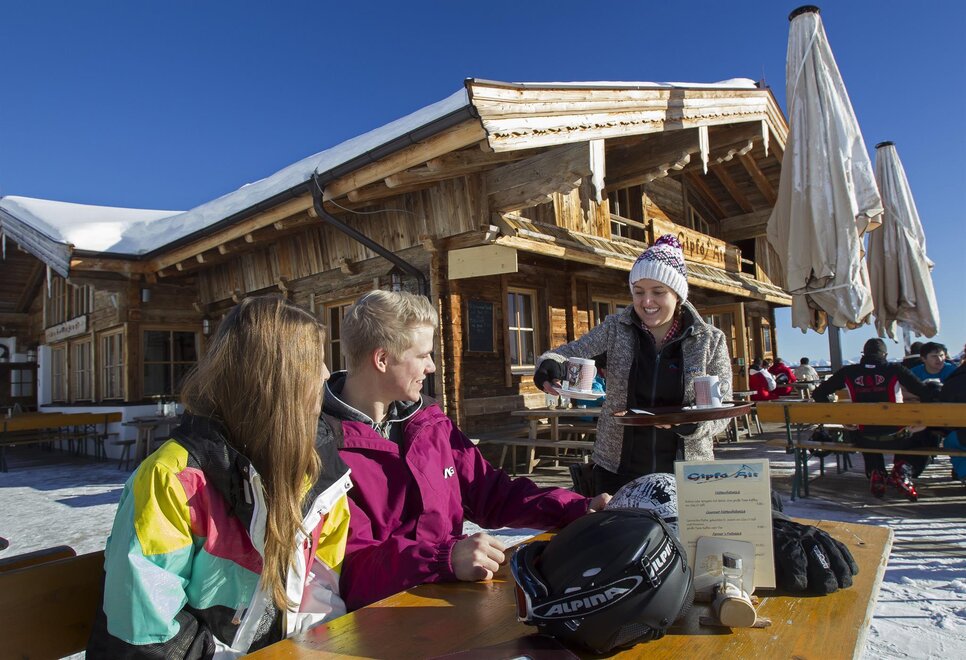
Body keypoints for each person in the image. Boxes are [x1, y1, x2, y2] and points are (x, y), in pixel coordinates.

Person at [87, 296, 352, 657]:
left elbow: (319, 589)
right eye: (313, 361)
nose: (326, 374)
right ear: (271, 379)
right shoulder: (172, 479)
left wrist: (314, 650)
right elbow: (145, 632)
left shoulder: (316, 473)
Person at [318, 290, 609, 612]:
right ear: (382, 359)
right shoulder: (323, 448)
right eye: (423, 355)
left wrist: (576, 508)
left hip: (454, 605)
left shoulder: (429, 422)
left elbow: (491, 493)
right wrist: (443, 559)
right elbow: (349, 569)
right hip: (379, 622)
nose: (431, 367)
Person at [533, 234, 732, 495]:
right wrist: (550, 364)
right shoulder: (615, 329)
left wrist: (694, 425)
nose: (646, 301)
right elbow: (569, 353)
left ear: (678, 295)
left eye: (658, 292)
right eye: (639, 292)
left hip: (687, 472)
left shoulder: (709, 340)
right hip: (617, 470)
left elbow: (723, 408)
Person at [811, 338, 939, 500]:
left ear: (863, 354)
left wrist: (840, 417)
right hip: (897, 437)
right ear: (885, 354)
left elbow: (818, 393)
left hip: (865, 438)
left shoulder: (848, 372)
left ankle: (876, 471)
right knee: (926, 436)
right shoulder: (895, 369)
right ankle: (902, 469)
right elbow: (925, 393)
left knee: (865, 432)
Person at [938, 342, 966, 482]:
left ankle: (964, 472)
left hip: (962, 437)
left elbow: (944, 418)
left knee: (951, 441)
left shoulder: (954, 379)